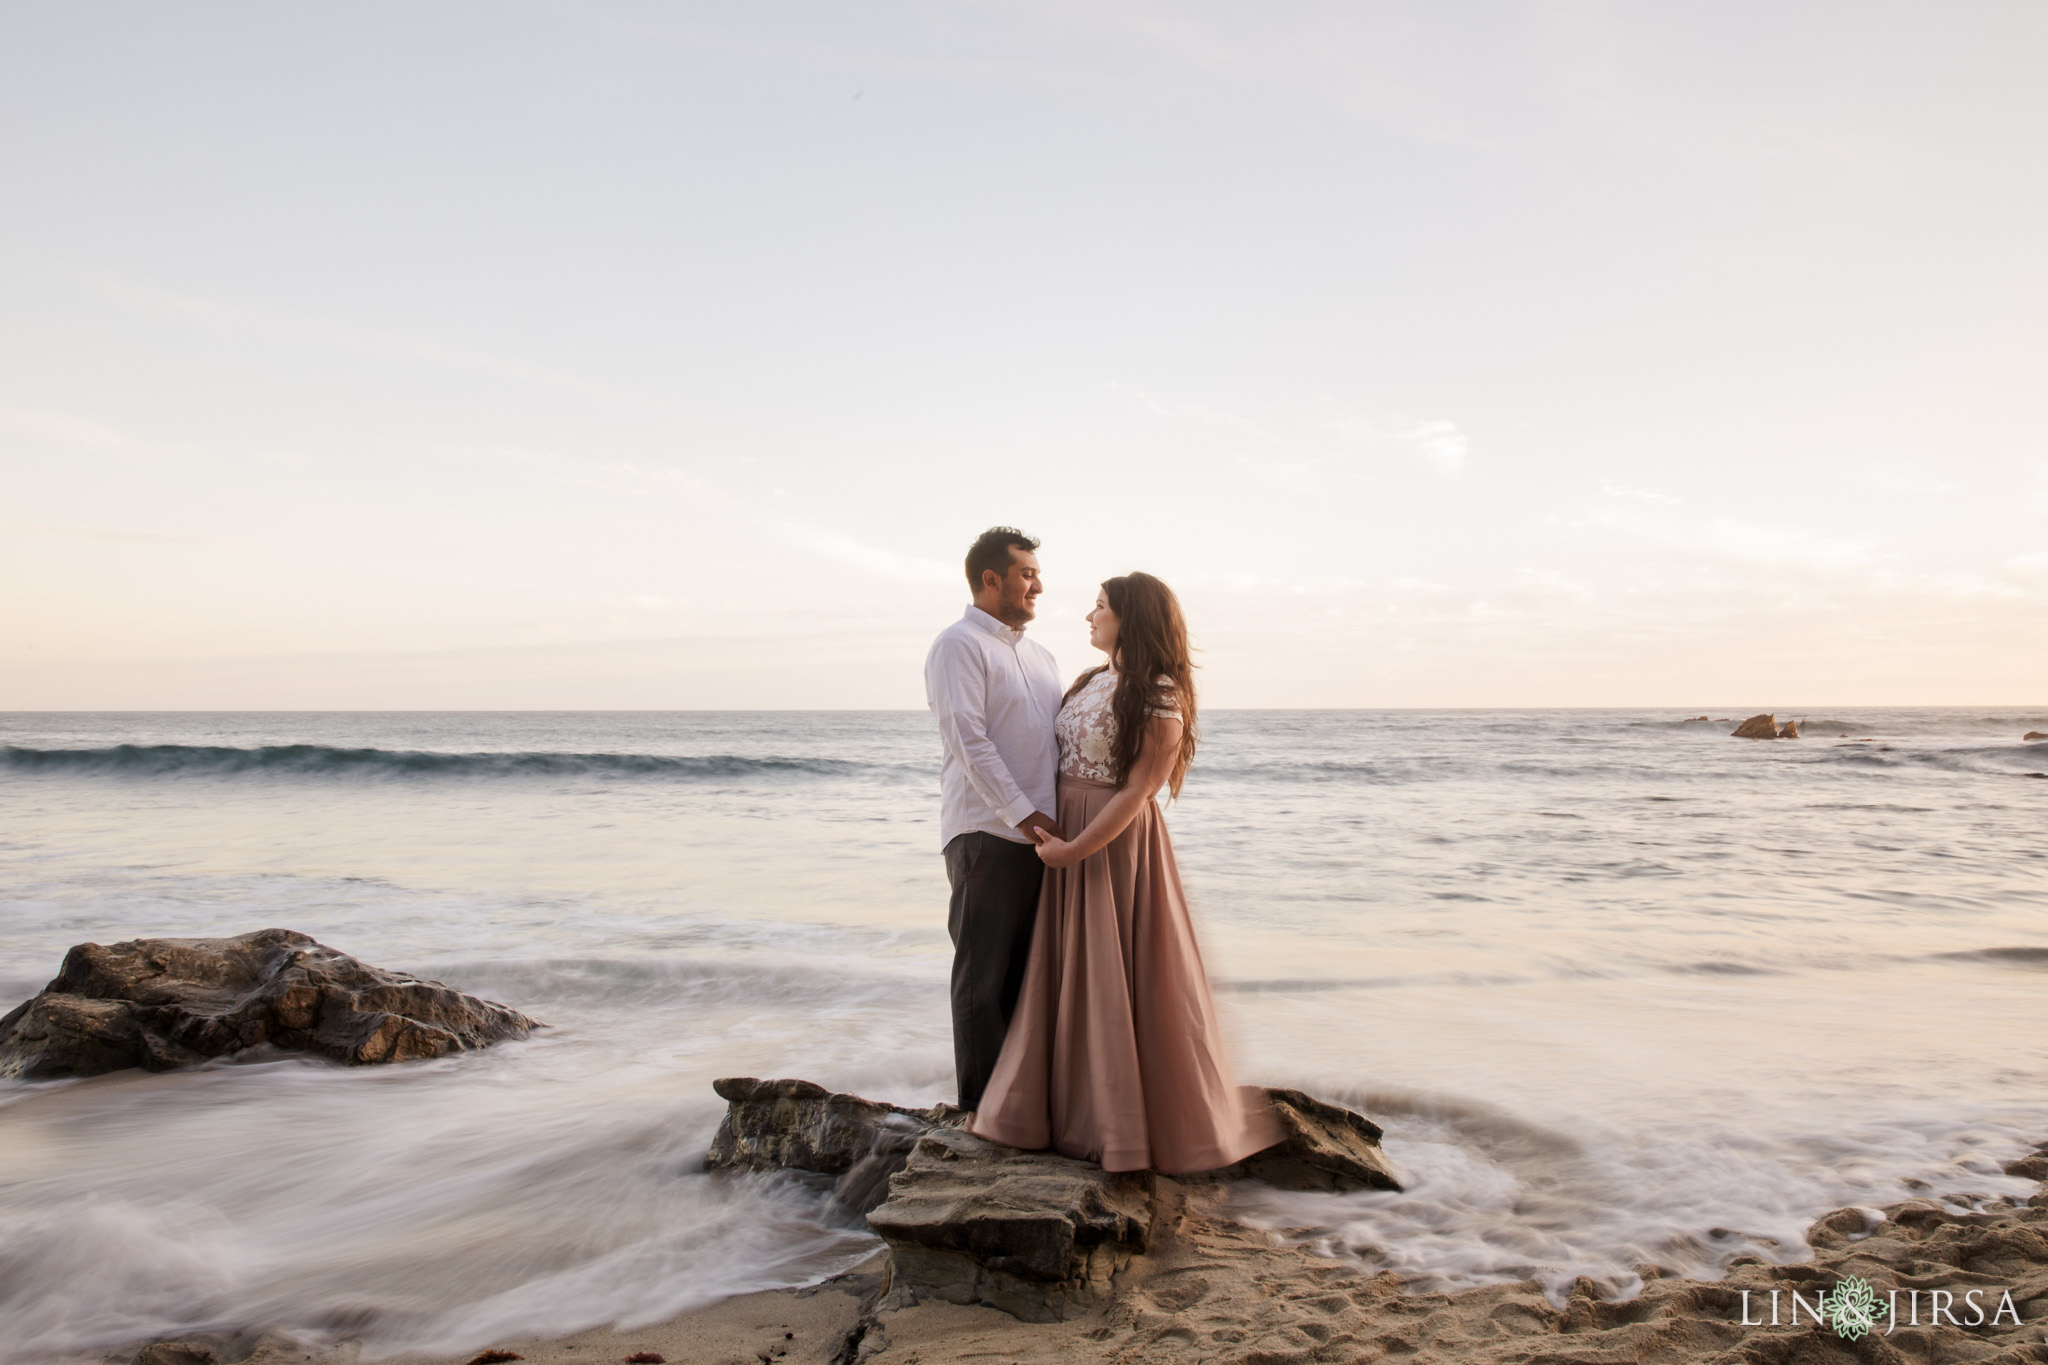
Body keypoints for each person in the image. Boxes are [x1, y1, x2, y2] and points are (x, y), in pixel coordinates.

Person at [971, 572, 1278, 1173]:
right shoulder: (1091, 680)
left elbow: (1140, 790)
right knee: (1068, 975)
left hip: (1111, 845)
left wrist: (1076, 848)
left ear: (1130, 618)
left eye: (1101, 607)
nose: (1089, 615)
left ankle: (1124, 1127)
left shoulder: (1159, 691)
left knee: (1119, 976)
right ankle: (1063, 1112)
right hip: (1070, 836)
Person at [924, 527, 1065, 1112]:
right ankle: (982, 1117)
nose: (1038, 584)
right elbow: (966, 737)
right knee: (983, 980)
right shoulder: (958, 644)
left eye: (1036, 572)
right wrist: (1024, 813)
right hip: (986, 831)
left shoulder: (1042, 655)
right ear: (991, 579)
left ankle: (1023, 1111)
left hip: (1043, 841)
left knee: (1028, 983)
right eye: (1026, 573)